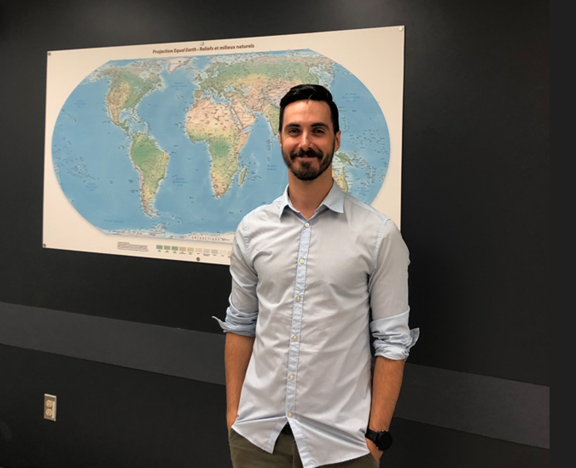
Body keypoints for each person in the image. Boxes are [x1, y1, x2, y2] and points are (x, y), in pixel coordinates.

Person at [215, 84, 418, 468]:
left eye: (318, 131)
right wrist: (234, 416)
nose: (305, 142)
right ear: (280, 138)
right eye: (294, 130)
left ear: (336, 140)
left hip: (343, 447)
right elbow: (240, 325)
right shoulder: (252, 230)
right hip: (256, 438)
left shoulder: (378, 235)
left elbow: (392, 342)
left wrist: (375, 437)